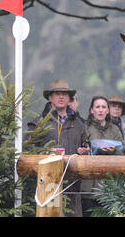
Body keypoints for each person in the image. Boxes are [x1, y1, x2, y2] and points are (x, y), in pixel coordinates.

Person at [27, 79, 89, 217]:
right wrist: (43, 154)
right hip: (46, 186)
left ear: (69, 99)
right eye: (57, 94)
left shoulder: (80, 124)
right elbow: (27, 150)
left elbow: (86, 146)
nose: (61, 97)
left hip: (72, 186)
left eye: (65, 94)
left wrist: (84, 151)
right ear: (50, 98)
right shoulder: (38, 123)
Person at [80, 96, 125, 216]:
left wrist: (112, 152)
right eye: (97, 107)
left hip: (109, 187)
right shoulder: (84, 127)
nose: (100, 110)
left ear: (107, 111)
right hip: (88, 187)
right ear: (91, 110)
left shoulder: (115, 130)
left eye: (103, 107)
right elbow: (78, 150)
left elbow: (122, 154)